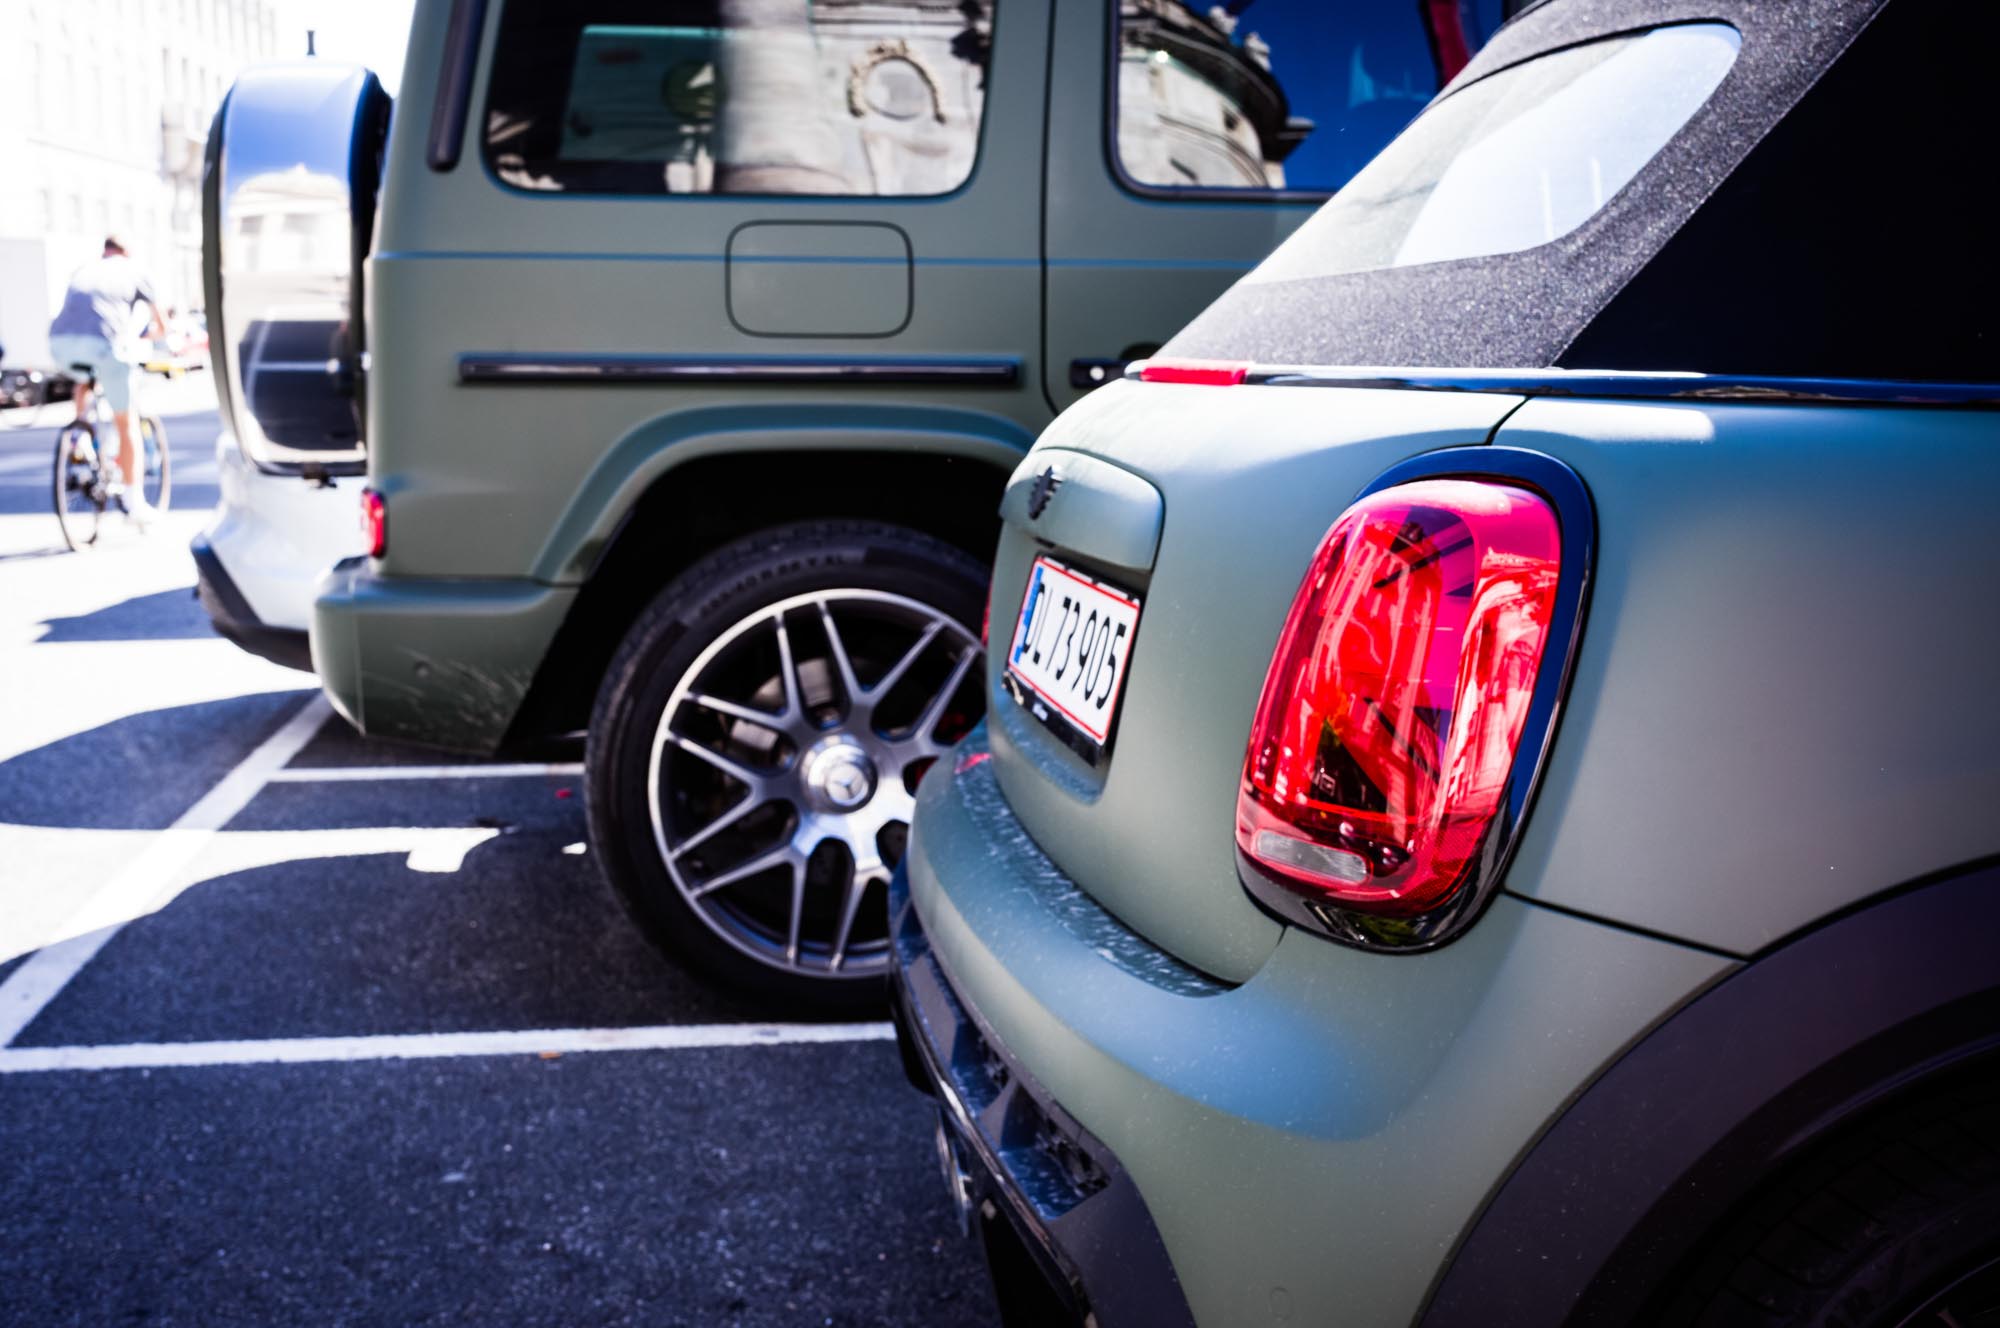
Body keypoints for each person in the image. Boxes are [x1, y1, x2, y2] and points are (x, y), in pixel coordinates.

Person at [48, 237, 166, 519]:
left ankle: (80, 439)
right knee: (126, 423)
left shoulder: (84, 269)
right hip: (105, 346)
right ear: (127, 252)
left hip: (60, 344)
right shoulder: (136, 271)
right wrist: (143, 338)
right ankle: (134, 501)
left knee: (85, 380)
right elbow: (161, 326)